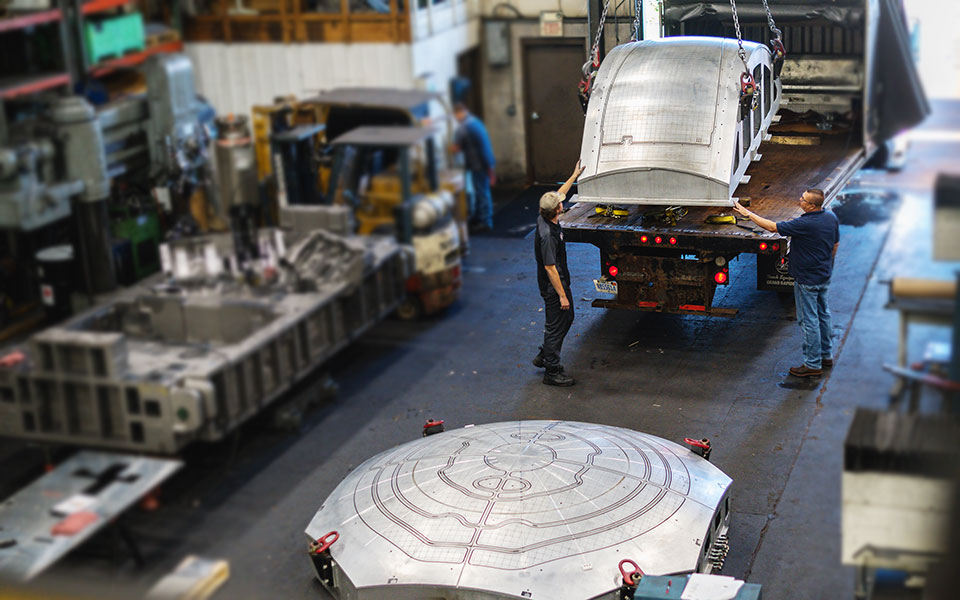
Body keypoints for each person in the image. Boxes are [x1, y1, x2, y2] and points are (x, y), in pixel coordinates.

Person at [733, 188, 840, 377]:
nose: (800, 201)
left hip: (806, 279)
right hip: (823, 275)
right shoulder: (830, 218)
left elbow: (772, 227)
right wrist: (826, 264)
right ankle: (826, 355)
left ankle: (813, 364)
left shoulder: (804, 224)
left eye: (803, 199)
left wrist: (747, 213)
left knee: (809, 320)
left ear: (812, 205)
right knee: (823, 313)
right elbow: (835, 245)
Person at [533, 160, 587, 386]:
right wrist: (562, 294)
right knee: (556, 325)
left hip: (559, 283)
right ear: (558, 210)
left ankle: (545, 355)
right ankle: (552, 370)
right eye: (560, 204)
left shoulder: (545, 216)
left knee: (567, 318)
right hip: (553, 286)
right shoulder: (548, 236)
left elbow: (560, 193)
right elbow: (549, 267)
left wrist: (574, 174)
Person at [451, 103, 496, 232]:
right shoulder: (475, 123)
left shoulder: (464, 127)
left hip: (478, 164)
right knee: (480, 190)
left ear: (459, 113)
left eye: (456, 115)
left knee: (481, 191)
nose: (455, 118)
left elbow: (455, 148)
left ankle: (485, 221)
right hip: (483, 162)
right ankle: (480, 217)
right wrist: (490, 165)